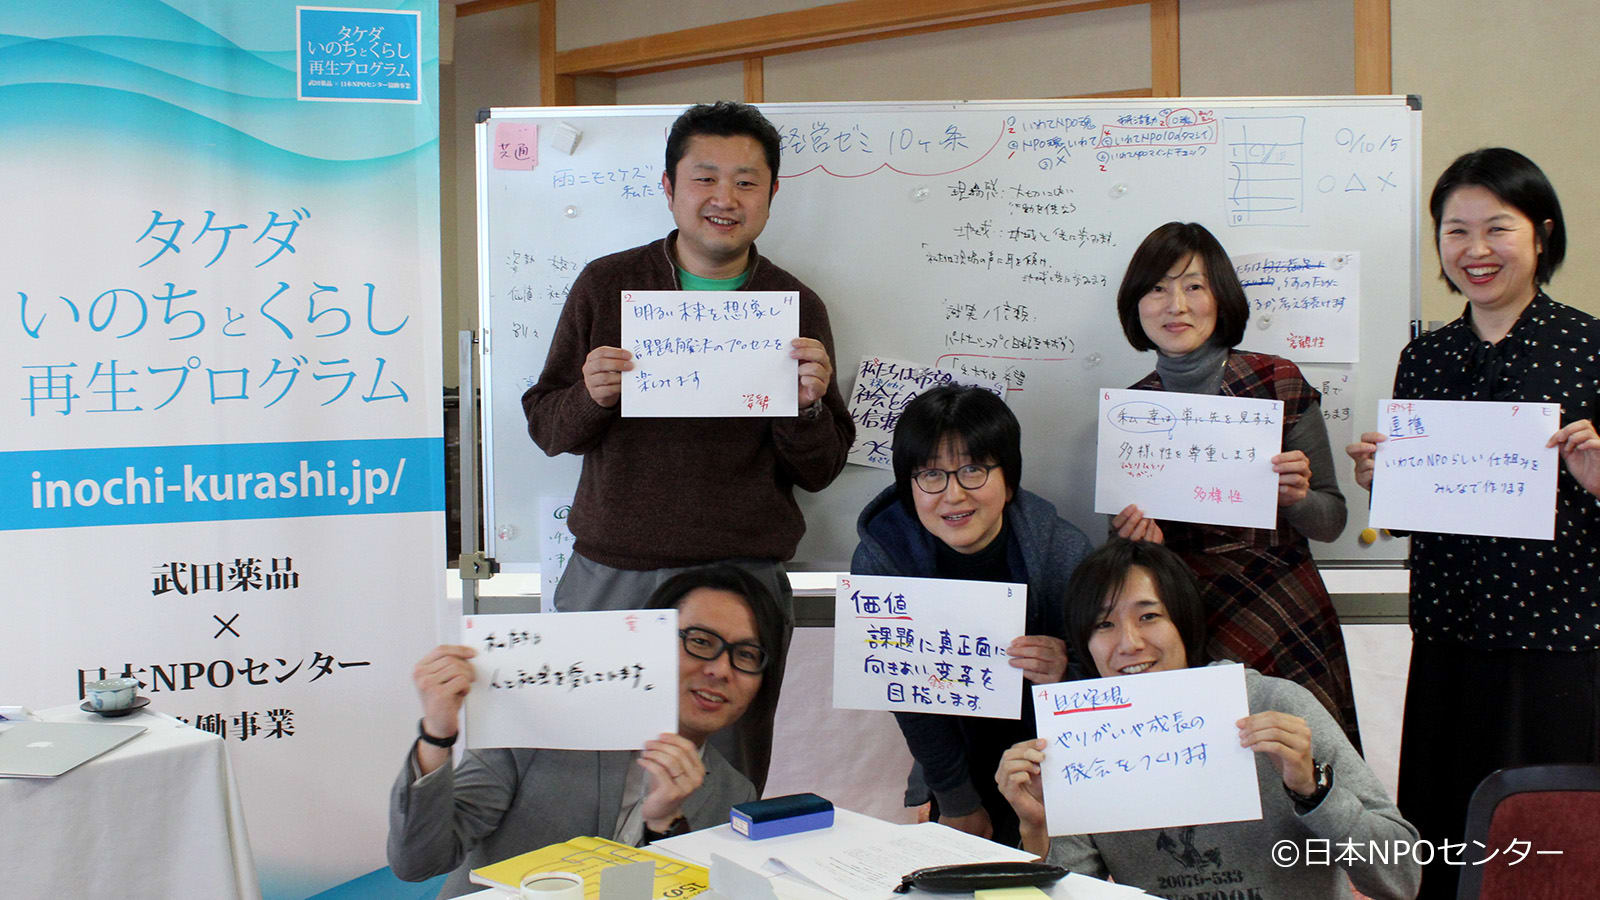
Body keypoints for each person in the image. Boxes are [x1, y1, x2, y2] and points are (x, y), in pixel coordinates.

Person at [520, 101, 854, 789]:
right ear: (669, 188)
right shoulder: (606, 284)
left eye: (745, 182)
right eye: (704, 178)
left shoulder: (794, 303)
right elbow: (547, 426)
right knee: (586, 776)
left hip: (742, 582)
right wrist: (590, 395)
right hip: (614, 572)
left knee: (721, 783)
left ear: (771, 194)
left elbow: (820, 470)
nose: (724, 199)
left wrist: (808, 405)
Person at [1346, 147, 1600, 899]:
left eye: (1498, 229)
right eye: (1456, 232)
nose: (1476, 251)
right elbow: (1416, 514)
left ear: (1542, 235)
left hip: (1558, 642)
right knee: (1447, 827)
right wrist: (1383, 486)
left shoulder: (1591, 348)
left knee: (1549, 841)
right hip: (1451, 633)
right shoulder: (1424, 358)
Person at [997, 539, 1421, 899]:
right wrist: (1039, 828)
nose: (1129, 643)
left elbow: (1402, 876)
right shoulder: (1081, 740)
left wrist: (1313, 789)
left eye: (1149, 616)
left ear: (1185, 622)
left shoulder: (1276, 703)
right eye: (1103, 624)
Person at [1109, 222, 1360, 748]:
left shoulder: (1277, 381)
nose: (1175, 304)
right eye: (1157, 288)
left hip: (1280, 605)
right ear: (1136, 304)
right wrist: (1137, 547)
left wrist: (1295, 498)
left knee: (1303, 772)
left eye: (1194, 286)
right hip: (1183, 617)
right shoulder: (1130, 410)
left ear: (1221, 297)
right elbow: (1121, 557)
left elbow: (1332, 520)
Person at [387, 565, 784, 898]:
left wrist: (663, 824)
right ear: (647, 640)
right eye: (701, 641)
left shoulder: (733, 792)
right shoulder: (536, 736)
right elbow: (419, 861)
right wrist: (437, 735)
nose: (721, 669)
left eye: (747, 655)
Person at [851, 384, 1092, 846]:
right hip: (952, 760)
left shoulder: (1064, 551)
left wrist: (1066, 672)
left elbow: (1107, 684)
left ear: (1009, 478)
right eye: (931, 476)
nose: (954, 495)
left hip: (1052, 759)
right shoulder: (883, 560)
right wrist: (958, 800)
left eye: (973, 471)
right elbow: (909, 696)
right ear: (908, 486)